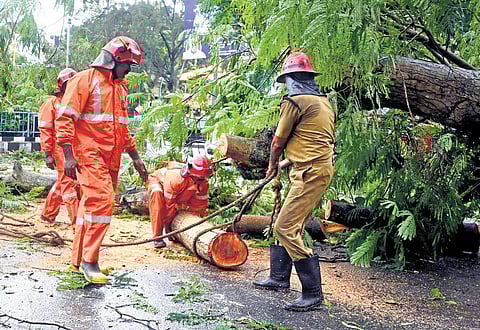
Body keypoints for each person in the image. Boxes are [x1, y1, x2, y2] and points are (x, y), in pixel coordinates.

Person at [56, 36, 148, 284]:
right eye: (127, 64)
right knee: (101, 203)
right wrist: (68, 156)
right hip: (89, 154)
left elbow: (123, 128)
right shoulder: (84, 80)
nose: (129, 70)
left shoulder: (120, 88)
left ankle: (79, 261)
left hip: (112, 158)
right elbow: (64, 119)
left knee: (90, 210)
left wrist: (136, 157)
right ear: (114, 60)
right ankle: (90, 261)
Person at [253, 52, 336, 312]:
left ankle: (312, 293)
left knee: (285, 226)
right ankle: (279, 277)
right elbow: (315, 140)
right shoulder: (324, 103)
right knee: (292, 222)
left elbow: (278, 141)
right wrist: (288, 162)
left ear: (290, 79)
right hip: (315, 168)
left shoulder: (295, 101)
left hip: (309, 172)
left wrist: (271, 166)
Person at [39, 68, 78, 229]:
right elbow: (46, 130)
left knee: (62, 182)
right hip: (60, 150)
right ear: (61, 84)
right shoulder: (51, 104)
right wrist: (48, 153)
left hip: (73, 148)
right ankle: (78, 223)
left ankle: (48, 214)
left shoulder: (74, 102)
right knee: (69, 184)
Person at [147, 154, 210, 249]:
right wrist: (169, 229)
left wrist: (198, 223)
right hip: (158, 182)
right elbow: (168, 206)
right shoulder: (177, 179)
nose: (203, 180)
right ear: (191, 173)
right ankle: (157, 237)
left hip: (178, 190)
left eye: (204, 178)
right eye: (200, 178)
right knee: (158, 197)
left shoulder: (203, 183)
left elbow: (200, 206)